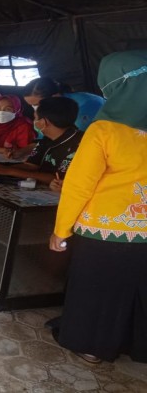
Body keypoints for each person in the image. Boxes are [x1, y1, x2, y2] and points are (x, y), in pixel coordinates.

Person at [49, 50, 147, 365]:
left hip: (103, 229)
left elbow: (79, 185)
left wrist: (61, 230)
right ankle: (136, 345)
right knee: (136, 289)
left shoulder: (103, 130)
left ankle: (92, 346)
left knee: (98, 290)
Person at [0, 97, 83, 185]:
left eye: (35, 118)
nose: (33, 122)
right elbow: (30, 166)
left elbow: (58, 179)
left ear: (43, 122)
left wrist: (8, 170)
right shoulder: (45, 140)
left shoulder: (80, 144)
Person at [23, 77, 105, 132]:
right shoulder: (54, 107)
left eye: (37, 104)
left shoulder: (86, 106)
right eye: (33, 106)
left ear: (55, 97)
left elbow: (79, 138)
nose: (36, 109)